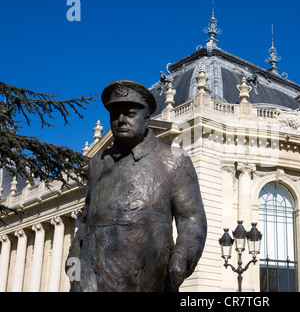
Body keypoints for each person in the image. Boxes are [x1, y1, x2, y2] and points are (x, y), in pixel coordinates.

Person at [66, 80, 207, 292]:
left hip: (150, 281)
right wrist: (74, 275)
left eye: (130, 113)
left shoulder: (173, 159)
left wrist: (181, 258)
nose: (121, 120)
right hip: (93, 283)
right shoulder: (97, 164)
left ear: (146, 118)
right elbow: (85, 226)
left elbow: (192, 219)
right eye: (115, 115)